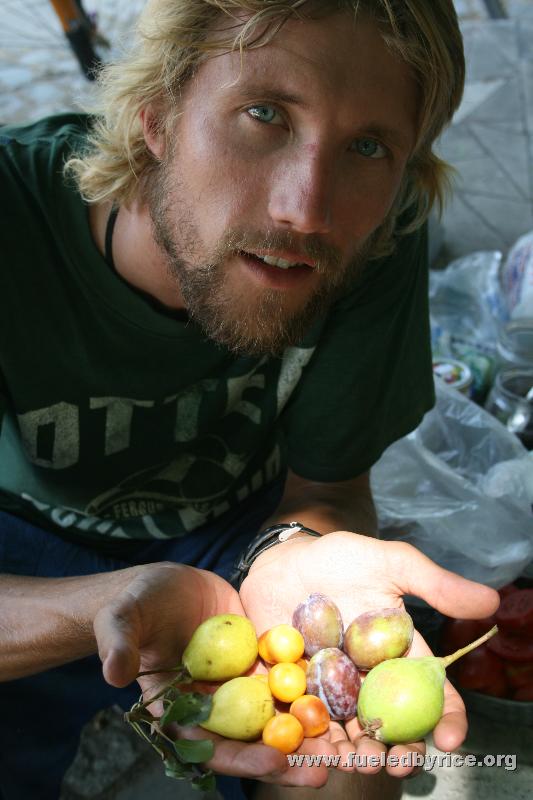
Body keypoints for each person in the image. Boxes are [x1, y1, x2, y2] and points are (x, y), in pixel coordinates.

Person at [0, 1, 499, 798]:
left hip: (233, 534)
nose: (305, 209)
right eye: (263, 114)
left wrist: (293, 547)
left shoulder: (374, 229)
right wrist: (100, 603)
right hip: (16, 549)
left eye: (367, 145)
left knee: (349, 762)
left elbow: (328, 487)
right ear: (155, 115)